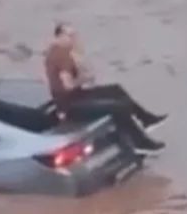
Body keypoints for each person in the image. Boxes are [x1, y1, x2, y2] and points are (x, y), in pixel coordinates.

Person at [44, 22, 168, 152]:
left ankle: (145, 119)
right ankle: (140, 143)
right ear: (59, 36)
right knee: (118, 107)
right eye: (70, 36)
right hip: (71, 105)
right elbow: (68, 85)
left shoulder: (57, 51)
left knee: (115, 90)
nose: (74, 39)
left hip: (76, 96)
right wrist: (85, 78)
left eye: (74, 35)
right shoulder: (61, 56)